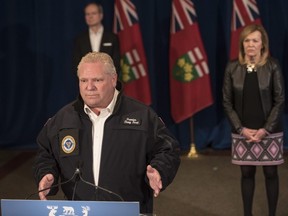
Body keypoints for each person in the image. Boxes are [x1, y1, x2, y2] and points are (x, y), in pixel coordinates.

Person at [33, 52, 181, 214]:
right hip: (79, 211)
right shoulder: (64, 118)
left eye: (97, 80)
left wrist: (159, 170)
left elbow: (168, 150)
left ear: (113, 79)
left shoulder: (142, 116)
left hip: (128, 210)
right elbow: (45, 153)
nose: (89, 87)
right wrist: (46, 173)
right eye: (83, 80)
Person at [222, 24, 285, 216]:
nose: (251, 44)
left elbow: (280, 99)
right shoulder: (233, 68)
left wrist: (265, 129)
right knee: (247, 174)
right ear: (242, 44)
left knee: (271, 174)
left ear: (262, 45)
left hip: (269, 131)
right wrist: (241, 129)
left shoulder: (272, 66)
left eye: (255, 40)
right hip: (244, 132)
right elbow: (226, 102)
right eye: (247, 40)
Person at [72, 2, 121, 77]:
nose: (90, 16)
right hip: (87, 82)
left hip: (107, 80)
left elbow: (116, 62)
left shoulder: (112, 38)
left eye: (93, 13)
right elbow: (76, 64)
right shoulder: (80, 40)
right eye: (87, 14)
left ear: (101, 15)